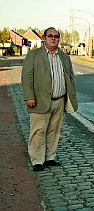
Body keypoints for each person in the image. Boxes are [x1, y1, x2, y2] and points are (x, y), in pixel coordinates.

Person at [21, 27, 78, 172]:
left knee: (54, 130)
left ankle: (49, 157)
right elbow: (26, 77)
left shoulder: (64, 57)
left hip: (59, 100)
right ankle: (37, 160)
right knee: (38, 131)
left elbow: (70, 78)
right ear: (44, 38)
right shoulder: (34, 55)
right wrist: (30, 97)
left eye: (56, 36)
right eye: (50, 36)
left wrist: (69, 97)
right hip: (39, 100)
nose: (53, 38)